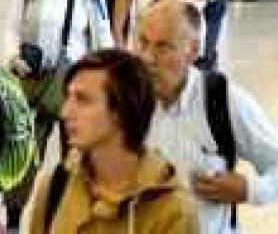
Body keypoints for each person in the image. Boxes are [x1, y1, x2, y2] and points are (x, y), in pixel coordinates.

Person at [136, 0, 278, 234]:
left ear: (193, 51)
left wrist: (249, 189)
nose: (147, 58)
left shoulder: (223, 101)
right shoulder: (124, 102)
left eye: (162, 47)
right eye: (142, 43)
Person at [5, 0, 114, 225]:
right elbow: (12, 27)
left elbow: (102, 31)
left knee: (75, 153)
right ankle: (14, 213)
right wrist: (13, 56)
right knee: (25, 150)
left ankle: (69, 215)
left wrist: (108, 70)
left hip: (76, 82)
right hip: (34, 81)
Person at [24, 49, 197, 234]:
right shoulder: (55, 186)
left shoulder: (173, 209)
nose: (65, 112)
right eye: (68, 97)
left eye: (83, 100)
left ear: (122, 111)